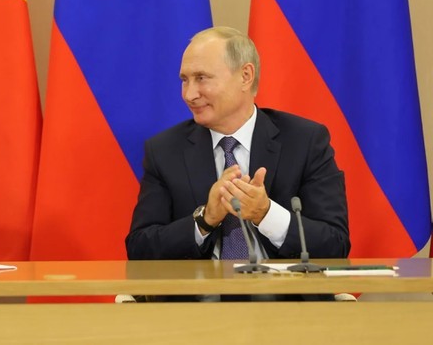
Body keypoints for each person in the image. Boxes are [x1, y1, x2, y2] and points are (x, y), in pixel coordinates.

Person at [126, 27, 349, 297]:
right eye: (184, 80)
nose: (189, 94)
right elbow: (139, 250)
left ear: (245, 76)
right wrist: (204, 220)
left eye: (201, 78)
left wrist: (265, 213)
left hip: (287, 313)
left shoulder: (305, 141)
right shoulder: (165, 150)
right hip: (194, 320)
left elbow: (335, 245)